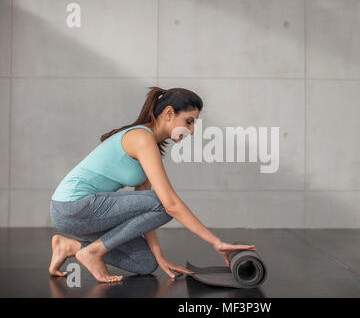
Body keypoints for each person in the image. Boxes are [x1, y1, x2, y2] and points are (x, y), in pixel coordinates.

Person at [49, 86, 256, 283]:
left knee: (144, 263)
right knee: (164, 203)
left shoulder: (151, 147)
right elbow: (169, 204)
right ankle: (93, 251)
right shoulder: (141, 138)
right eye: (189, 121)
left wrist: (160, 257)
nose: (192, 131)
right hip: (74, 205)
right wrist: (215, 242)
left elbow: (146, 214)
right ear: (168, 113)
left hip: (83, 215)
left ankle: (71, 247)